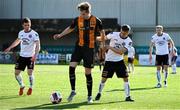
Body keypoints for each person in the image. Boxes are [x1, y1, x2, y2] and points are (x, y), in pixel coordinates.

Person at [53, 2, 105, 103]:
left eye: (83, 14)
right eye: (80, 13)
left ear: (88, 12)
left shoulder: (96, 20)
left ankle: (89, 96)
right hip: (79, 47)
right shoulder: (77, 19)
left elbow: (102, 32)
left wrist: (102, 44)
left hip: (89, 49)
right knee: (71, 67)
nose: (81, 15)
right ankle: (73, 90)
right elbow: (70, 28)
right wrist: (60, 35)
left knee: (87, 73)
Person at [95, 25, 134, 102]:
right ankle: (99, 93)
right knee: (103, 79)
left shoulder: (129, 41)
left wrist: (109, 47)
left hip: (119, 61)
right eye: (122, 32)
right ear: (121, 30)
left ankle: (128, 96)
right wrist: (94, 37)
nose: (123, 34)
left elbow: (120, 52)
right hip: (109, 61)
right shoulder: (114, 34)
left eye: (125, 33)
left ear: (128, 32)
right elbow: (104, 38)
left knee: (126, 78)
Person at [4, 17, 40, 95]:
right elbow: (17, 41)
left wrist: (35, 55)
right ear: (23, 25)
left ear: (30, 24)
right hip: (22, 56)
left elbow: (38, 46)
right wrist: (10, 47)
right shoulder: (21, 33)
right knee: (16, 73)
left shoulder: (34, 34)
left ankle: (30, 87)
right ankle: (22, 85)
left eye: (28, 25)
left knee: (29, 73)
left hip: (31, 57)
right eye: (25, 25)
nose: (27, 26)